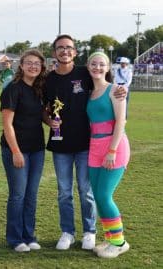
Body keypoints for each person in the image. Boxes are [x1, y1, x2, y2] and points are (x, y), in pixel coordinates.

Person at [43, 34, 127, 251]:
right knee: (64, 191)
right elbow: (44, 108)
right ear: (54, 52)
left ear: (75, 52)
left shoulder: (85, 72)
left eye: (69, 47)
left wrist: (121, 89)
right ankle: (67, 232)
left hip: (86, 145)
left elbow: (105, 84)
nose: (64, 51)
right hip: (60, 144)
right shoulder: (48, 79)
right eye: (60, 48)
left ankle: (90, 231)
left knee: (86, 190)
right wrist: (48, 120)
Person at [0, 49, 47, 252]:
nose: (33, 66)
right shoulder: (13, 88)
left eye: (37, 63)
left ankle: (29, 235)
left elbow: (40, 114)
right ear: (21, 65)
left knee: (31, 195)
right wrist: (16, 152)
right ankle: (15, 238)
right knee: (18, 195)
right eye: (29, 62)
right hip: (16, 150)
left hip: (37, 149)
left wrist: (51, 122)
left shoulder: (39, 88)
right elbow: (7, 124)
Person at [86, 51, 130, 258]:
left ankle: (119, 242)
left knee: (104, 195)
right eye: (93, 64)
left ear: (108, 68)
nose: (97, 67)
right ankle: (110, 238)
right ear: (88, 67)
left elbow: (121, 121)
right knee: (97, 196)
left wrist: (112, 151)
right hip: (94, 146)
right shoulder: (89, 93)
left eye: (101, 64)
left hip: (114, 146)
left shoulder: (116, 90)